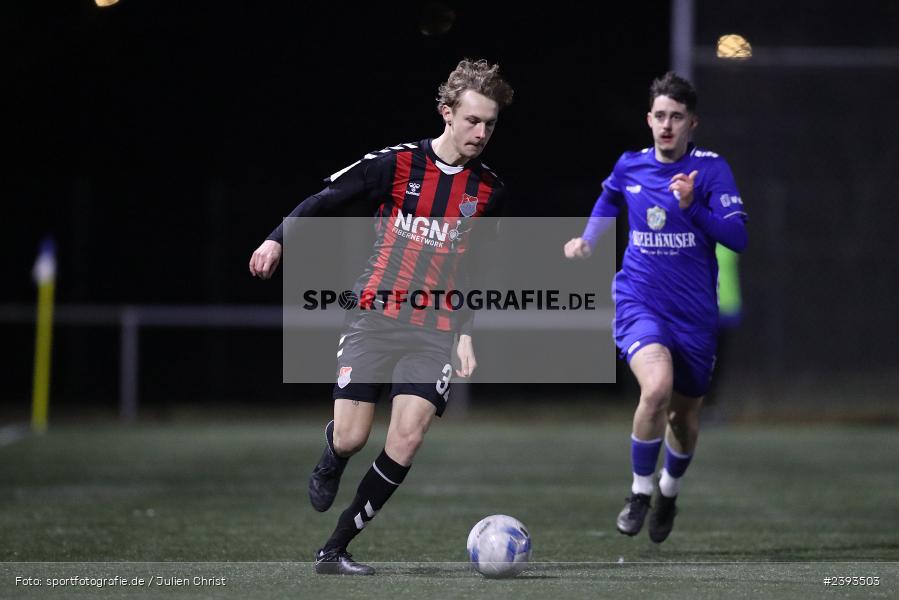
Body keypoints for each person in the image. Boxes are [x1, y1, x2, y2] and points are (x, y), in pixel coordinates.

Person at [249, 59, 513, 574]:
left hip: (434, 327)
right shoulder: (394, 164)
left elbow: (475, 267)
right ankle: (332, 454)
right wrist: (275, 241)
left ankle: (335, 548)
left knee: (407, 437)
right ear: (447, 113)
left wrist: (465, 333)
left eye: (490, 124)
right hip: (374, 315)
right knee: (352, 437)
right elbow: (326, 199)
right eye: (473, 120)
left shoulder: (490, 191)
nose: (481, 133)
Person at [564, 72, 747, 543]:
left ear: (692, 123)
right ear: (649, 120)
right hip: (639, 301)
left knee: (684, 419)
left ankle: (668, 491)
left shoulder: (711, 171)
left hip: (695, 316)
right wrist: (589, 240)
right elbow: (608, 199)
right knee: (656, 390)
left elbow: (738, 237)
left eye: (677, 117)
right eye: (660, 116)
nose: (667, 125)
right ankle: (640, 491)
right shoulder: (630, 165)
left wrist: (691, 207)